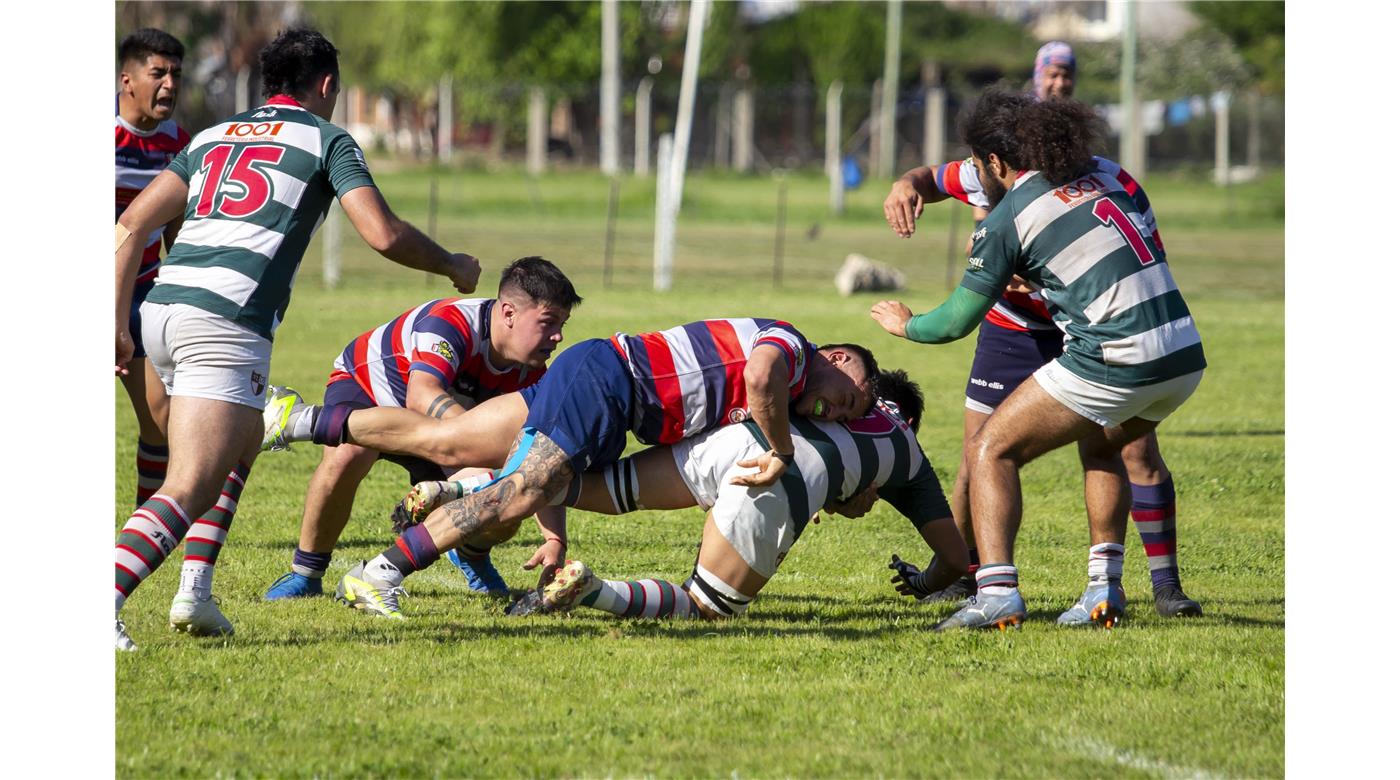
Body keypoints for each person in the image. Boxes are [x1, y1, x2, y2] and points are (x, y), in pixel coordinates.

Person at [113, 27, 482, 650]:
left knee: (245, 438)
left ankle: (195, 593)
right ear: (328, 85)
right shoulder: (327, 139)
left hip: (164, 310)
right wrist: (450, 263)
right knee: (192, 480)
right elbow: (383, 233)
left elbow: (129, 223)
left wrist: (115, 320)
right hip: (225, 323)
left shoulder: (211, 135)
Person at [880, 43, 1201, 622]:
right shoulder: (1111, 173)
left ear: (997, 161)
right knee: (1105, 444)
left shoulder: (1011, 212)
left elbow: (954, 321)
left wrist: (906, 325)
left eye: (980, 163)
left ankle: (997, 592)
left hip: (1107, 348)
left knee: (990, 450)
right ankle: (1104, 588)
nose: (975, 172)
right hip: (1181, 348)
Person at [273, 318, 880, 618]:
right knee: (514, 491)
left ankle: (296, 420)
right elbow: (761, 377)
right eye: (847, 397)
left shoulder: (792, 376)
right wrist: (780, 452)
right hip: (610, 383)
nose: (835, 411)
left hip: (599, 375)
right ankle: (378, 573)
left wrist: (556, 534)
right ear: (834, 357)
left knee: (456, 443)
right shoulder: (791, 347)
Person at [504, 370, 968, 620]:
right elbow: (953, 559)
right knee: (704, 606)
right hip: (778, 480)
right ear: (908, 421)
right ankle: (593, 591)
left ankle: (464, 487)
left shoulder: (830, 390)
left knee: (581, 486)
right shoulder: (909, 454)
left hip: (733, 438)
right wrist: (923, 584)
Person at [262, 257, 580, 601]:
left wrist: (554, 539)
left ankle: (471, 553)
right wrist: (472, 438)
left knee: (498, 493)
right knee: (348, 455)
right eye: (548, 323)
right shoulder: (452, 322)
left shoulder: (534, 371)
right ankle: (306, 573)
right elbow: (421, 394)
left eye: (562, 323)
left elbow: (539, 459)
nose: (558, 336)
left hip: (443, 429)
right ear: (508, 313)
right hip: (370, 390)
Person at [115, 28, 189, 508]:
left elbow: (175, 234)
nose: (169, 84)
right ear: (127, 79)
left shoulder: (179, 143)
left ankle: (144, 525)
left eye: (175, 74)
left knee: (159, 417)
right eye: (157, 73)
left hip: (140, 292)